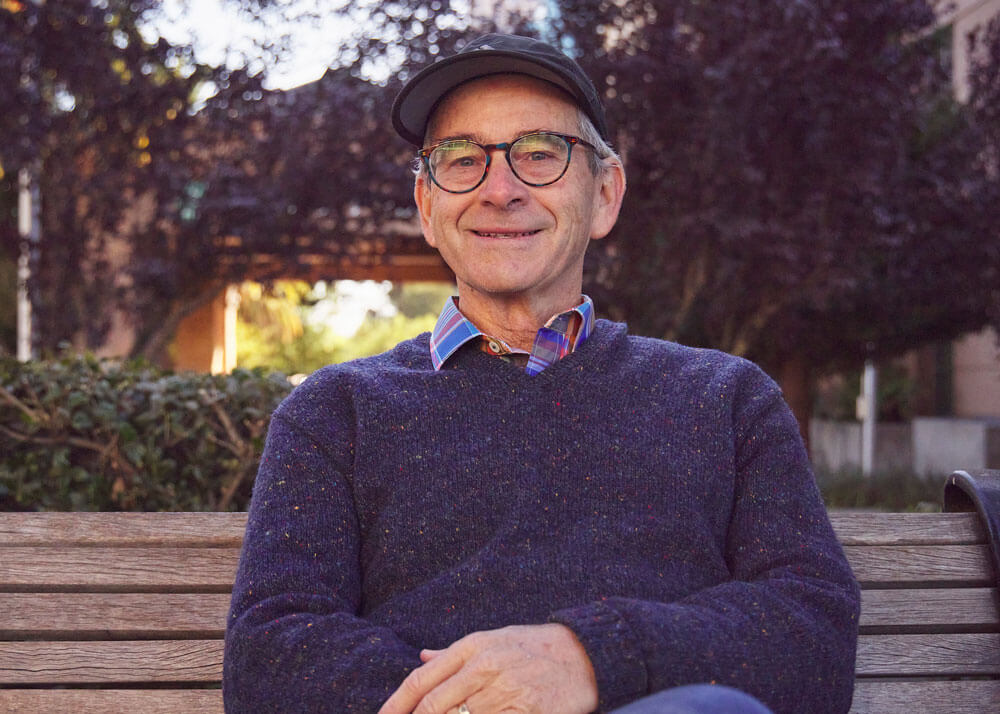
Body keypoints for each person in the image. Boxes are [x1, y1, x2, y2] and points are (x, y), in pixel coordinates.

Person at [223, 33, 860, 714]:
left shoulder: (728, 401)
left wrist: (591, 658)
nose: (500, 190)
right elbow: (272, 653)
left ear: (606, 195)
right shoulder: (336, 412)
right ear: (427, 207)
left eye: (538, 154)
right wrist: (485, 699)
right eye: (462, 159)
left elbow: (812, 632)